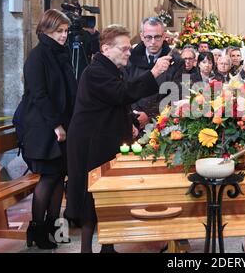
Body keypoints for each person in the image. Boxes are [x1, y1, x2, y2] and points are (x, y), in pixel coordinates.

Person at [65, 25, 171, 253]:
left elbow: (116, 102)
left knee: (106, 196)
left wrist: (131, 122)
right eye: (123, 49)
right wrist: (153, 73)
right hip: (91, 143)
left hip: (103, 138)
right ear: (106, 48)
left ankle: (107, 246)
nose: (128, 53)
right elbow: (121, 93)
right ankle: (87, 249)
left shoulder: (110, 69)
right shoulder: (95, 71)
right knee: (91, 198)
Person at [20, 9, 77, 249]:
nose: (64, 36)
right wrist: (57, 125)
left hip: (59, 125)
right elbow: (39, 94)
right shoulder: (38, 56)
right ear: (46, 30)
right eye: (59, 31)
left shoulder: (59, 54)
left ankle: (54, 226)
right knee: (48, 177)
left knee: (58, 176)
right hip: (43, 127)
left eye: (65, 31)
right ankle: (37, 229)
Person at [126, 17, 184, 130]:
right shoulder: (129, 58)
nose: (153, 42)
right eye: (148, 37)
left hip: (161, 122)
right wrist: (133, 115)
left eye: (157, 37)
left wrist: (148, 115)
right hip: (130, 120)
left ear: (163, 36)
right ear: (142, 36)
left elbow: (177, 96)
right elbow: (126, 89)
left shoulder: (177, 60)